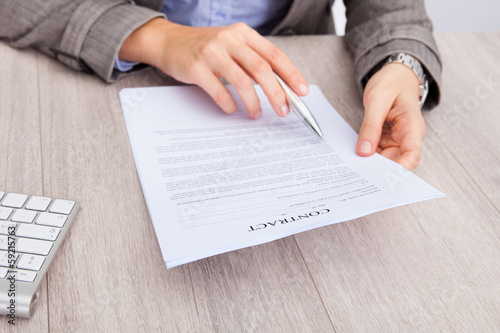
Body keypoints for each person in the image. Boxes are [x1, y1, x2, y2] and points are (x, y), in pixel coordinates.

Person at [0, 0, 441, 170]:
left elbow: (392, 10)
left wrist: (401, 63)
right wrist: (155, 36)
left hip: (293, 78)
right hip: (108, 83)